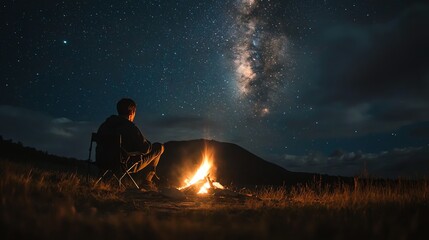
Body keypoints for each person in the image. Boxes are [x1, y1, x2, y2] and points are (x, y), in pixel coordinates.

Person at [97, 98, 164, 191]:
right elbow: (145, 149)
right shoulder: (130, 127)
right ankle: (147, 182)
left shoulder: (105, 125)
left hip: (102, 161)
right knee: (159, 147)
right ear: (132, 112)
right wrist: (146, 142)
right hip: (125, 164)